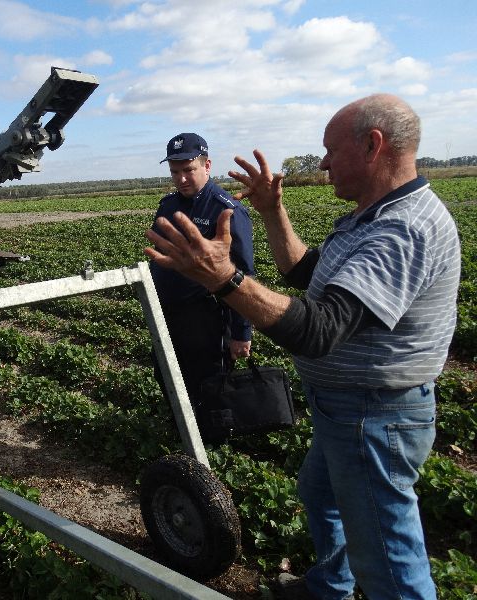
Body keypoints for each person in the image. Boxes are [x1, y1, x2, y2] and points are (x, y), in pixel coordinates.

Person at [144, 95, 461, 600]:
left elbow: (320, 328)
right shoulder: (370, 217)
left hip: (373, 415)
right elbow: (307, 273)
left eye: (331, 150)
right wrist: (273, 212)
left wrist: (224, 280)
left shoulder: (404, 227)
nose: (323, 164)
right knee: (320, 495)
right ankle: (329, 588)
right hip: (346, 409)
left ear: (373, 145)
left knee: (386, 555)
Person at [149, 132, 254, 442]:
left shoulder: (225, 210)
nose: (181, 178)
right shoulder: (168, 206)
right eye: (175, 171)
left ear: (207, 166)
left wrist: (241, 332)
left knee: (209, 383)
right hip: (169, 313)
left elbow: (243, 274)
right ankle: (182, 433)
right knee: (167, 373)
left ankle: (212, 444)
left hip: (206, 317)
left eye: (188, 170)